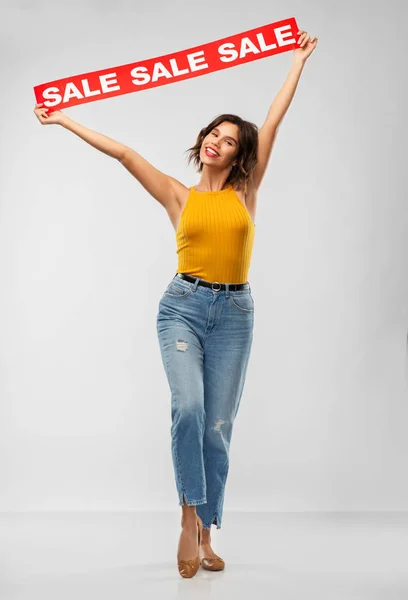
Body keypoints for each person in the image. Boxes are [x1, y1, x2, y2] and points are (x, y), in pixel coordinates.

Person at [33, 28, 318, 578]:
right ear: (202, 139)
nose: (217, 141)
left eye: (230, 139)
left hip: (235, 315)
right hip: (183, 308)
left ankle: (208, 531)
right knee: (187, 408)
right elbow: (123, 153)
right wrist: (65, 118)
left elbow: (275, 119)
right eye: (213, 132)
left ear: (241, 155)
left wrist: (296, 61)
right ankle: (188, 517)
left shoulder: (246, 191)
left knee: (217, 424)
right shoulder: (177, 194)